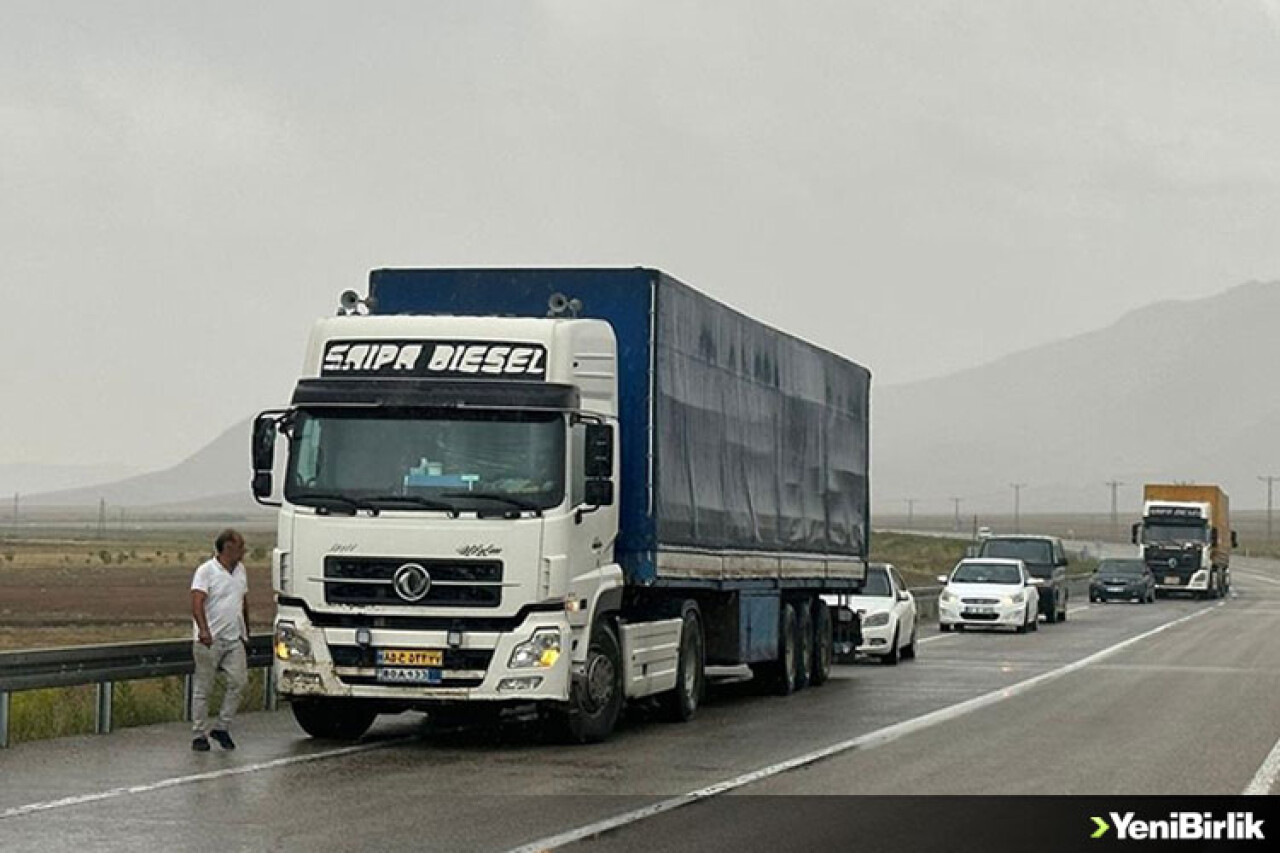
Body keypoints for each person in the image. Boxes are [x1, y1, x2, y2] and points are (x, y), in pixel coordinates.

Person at [189, 529, 250, 751]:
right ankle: (199, 734)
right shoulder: (206, 571)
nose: (244, 551)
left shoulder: (241, 571)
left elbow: (243, 600)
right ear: (228, 548)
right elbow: (197, 602)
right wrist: (203, 630)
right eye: (240, 546)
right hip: (210, 639)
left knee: (238, 682)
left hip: (234, 638)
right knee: (204, 687)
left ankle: (222, 727)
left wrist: (246, 631)